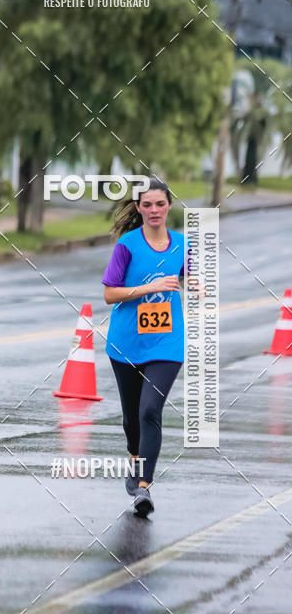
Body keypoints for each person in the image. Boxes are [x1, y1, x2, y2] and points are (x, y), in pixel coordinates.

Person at [102, 177, 186, 517]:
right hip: (126, 343)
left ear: (169, 206)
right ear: (138, 208)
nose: (154, 210)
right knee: (131, 419)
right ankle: (135, 460)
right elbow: (109, 293)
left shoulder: (183, 244)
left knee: (150, 410)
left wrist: (197, 287)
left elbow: (194, 280)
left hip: (167, 343)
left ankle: (144, 488)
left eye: (160, 204)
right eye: (147, 204)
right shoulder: (127, 244)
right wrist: (146, 287)